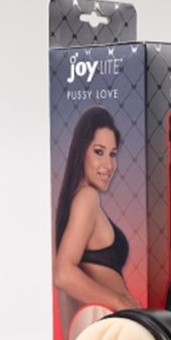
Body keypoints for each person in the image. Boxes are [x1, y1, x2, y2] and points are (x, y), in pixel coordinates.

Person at [54, 107, 140, 314]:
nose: (108, 165)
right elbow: (63, 274)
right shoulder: (87, 198)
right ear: (81, 150)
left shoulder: (75, 199)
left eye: (113, 154)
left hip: (97, 328)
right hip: (105, 326)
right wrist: (120, 302)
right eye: (99, 152)